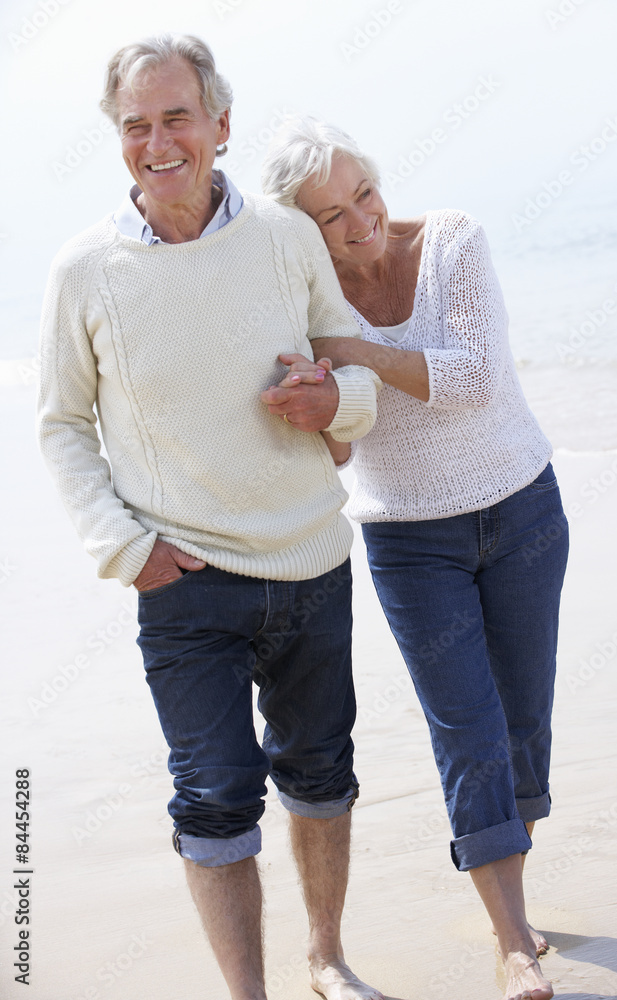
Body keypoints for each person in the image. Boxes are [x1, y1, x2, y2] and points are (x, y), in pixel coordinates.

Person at [37, 40, 384, 1000]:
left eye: (175, 116)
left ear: (220, 124)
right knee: (215, 797)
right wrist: (126, 547)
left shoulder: (282, 234)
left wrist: (337, 404)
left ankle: (326, 957)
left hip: (311, 559)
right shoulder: (84, 270)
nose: (158, 142)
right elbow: (61, 424)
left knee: (320, 774)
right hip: (183, 577)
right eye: (135, 125)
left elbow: (344, 364)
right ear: (120, 141)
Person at [261, 116, 569, 1000]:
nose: (359, 221)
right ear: (302, 232)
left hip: (523, 511)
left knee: (522, 723)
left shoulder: (453, 239)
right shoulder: (305, 307)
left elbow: (470, 376)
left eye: (363, 194)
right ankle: (511, 941)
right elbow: (344, 449)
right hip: (408, 537)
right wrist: (316, 407)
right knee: (465, 729)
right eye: (330, 216)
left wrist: (354, 352)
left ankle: (514, 884)